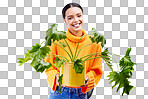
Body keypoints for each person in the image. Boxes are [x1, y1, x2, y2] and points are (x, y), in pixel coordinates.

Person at [44, 2, 103, 99]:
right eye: (70, 18)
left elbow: (96, 70)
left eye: (79, 16)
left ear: (83, 17)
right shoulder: (56, 40)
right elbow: (48, 66)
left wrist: (88, 78)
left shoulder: (94, 42)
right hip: (59, 92)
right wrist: (55, 76)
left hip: (80, 93)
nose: (76, 20)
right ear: (65, 21)